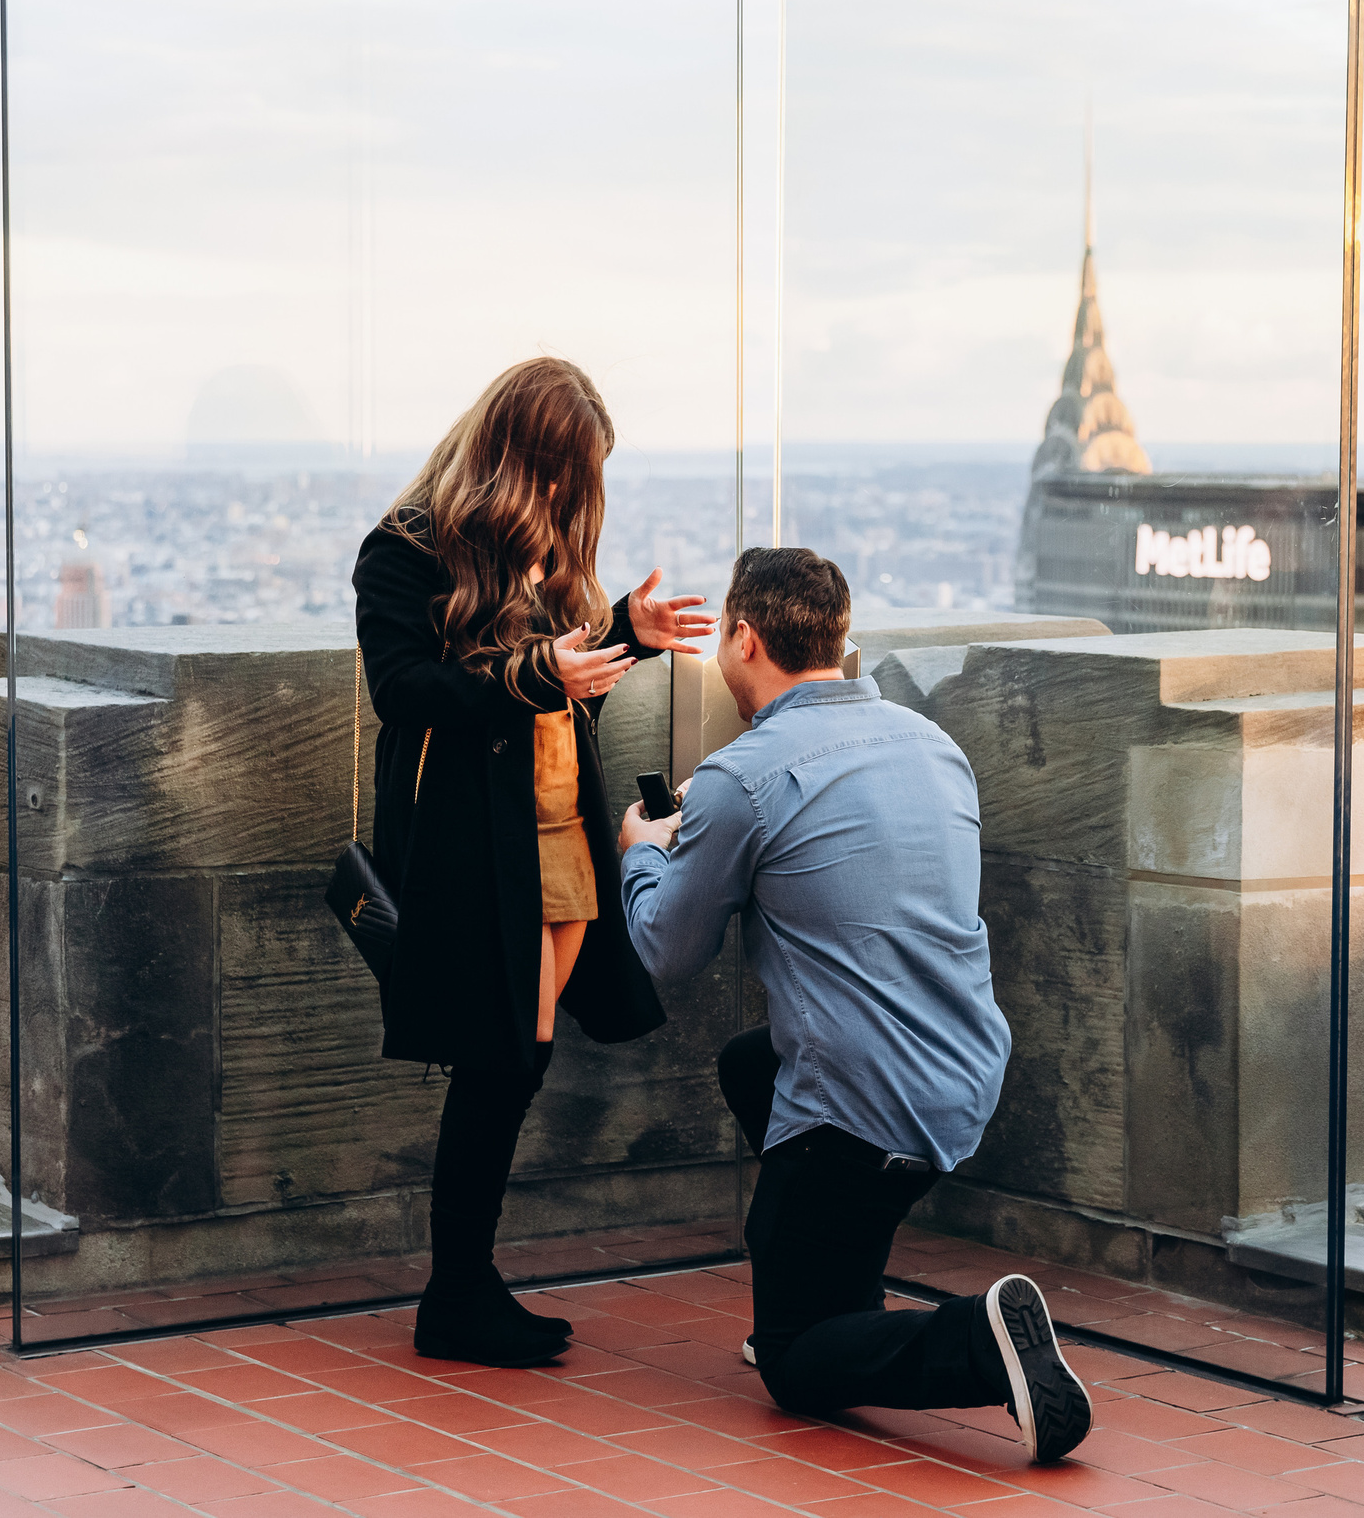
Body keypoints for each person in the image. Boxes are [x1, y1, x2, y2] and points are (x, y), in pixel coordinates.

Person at [617, 546, 1090, 1463]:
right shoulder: (934, 745)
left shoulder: (740, 778)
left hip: (862, 1110)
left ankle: (976, 1344)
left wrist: (642, 848)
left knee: (793, 1363)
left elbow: (665, 952)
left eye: (724, 633)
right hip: (963, 1080)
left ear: (744, 637)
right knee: (750, 1065)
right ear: (837, 636)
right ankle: (834, 1279)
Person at [353, 356, 716, 1368]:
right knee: (499, 1055)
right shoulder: (403, 550)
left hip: (556, 828)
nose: (567, 493)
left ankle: (464, 1286)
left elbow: (561, 690)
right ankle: (457, 1292)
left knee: (519, 1053)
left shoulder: (540, 552)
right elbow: (406, 693)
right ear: (518, 455)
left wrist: (623, 639)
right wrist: (532, 672)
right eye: (559, 471)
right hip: (477, 846)